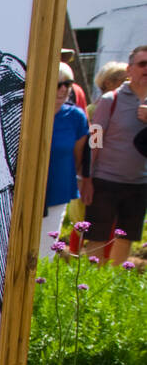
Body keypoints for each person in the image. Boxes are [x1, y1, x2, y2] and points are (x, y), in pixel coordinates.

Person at [82, 45, 147, 266]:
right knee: (96, 237)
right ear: (129, 69)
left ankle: (114, 282)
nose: (146, 69)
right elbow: (95, 140)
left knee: (126, 238)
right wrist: (87, 179)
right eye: (142, 64)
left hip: (139, 183)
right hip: (105, 181)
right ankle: (89, 285)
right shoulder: (111, 100)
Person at [42, 64, 89, 243]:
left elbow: (79, 155)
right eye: (57, 84)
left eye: (67, 84)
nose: (63, 89)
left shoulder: (77, 117)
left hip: (58, 189)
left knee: (47, 249)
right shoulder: (26, 112)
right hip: (24, 192)